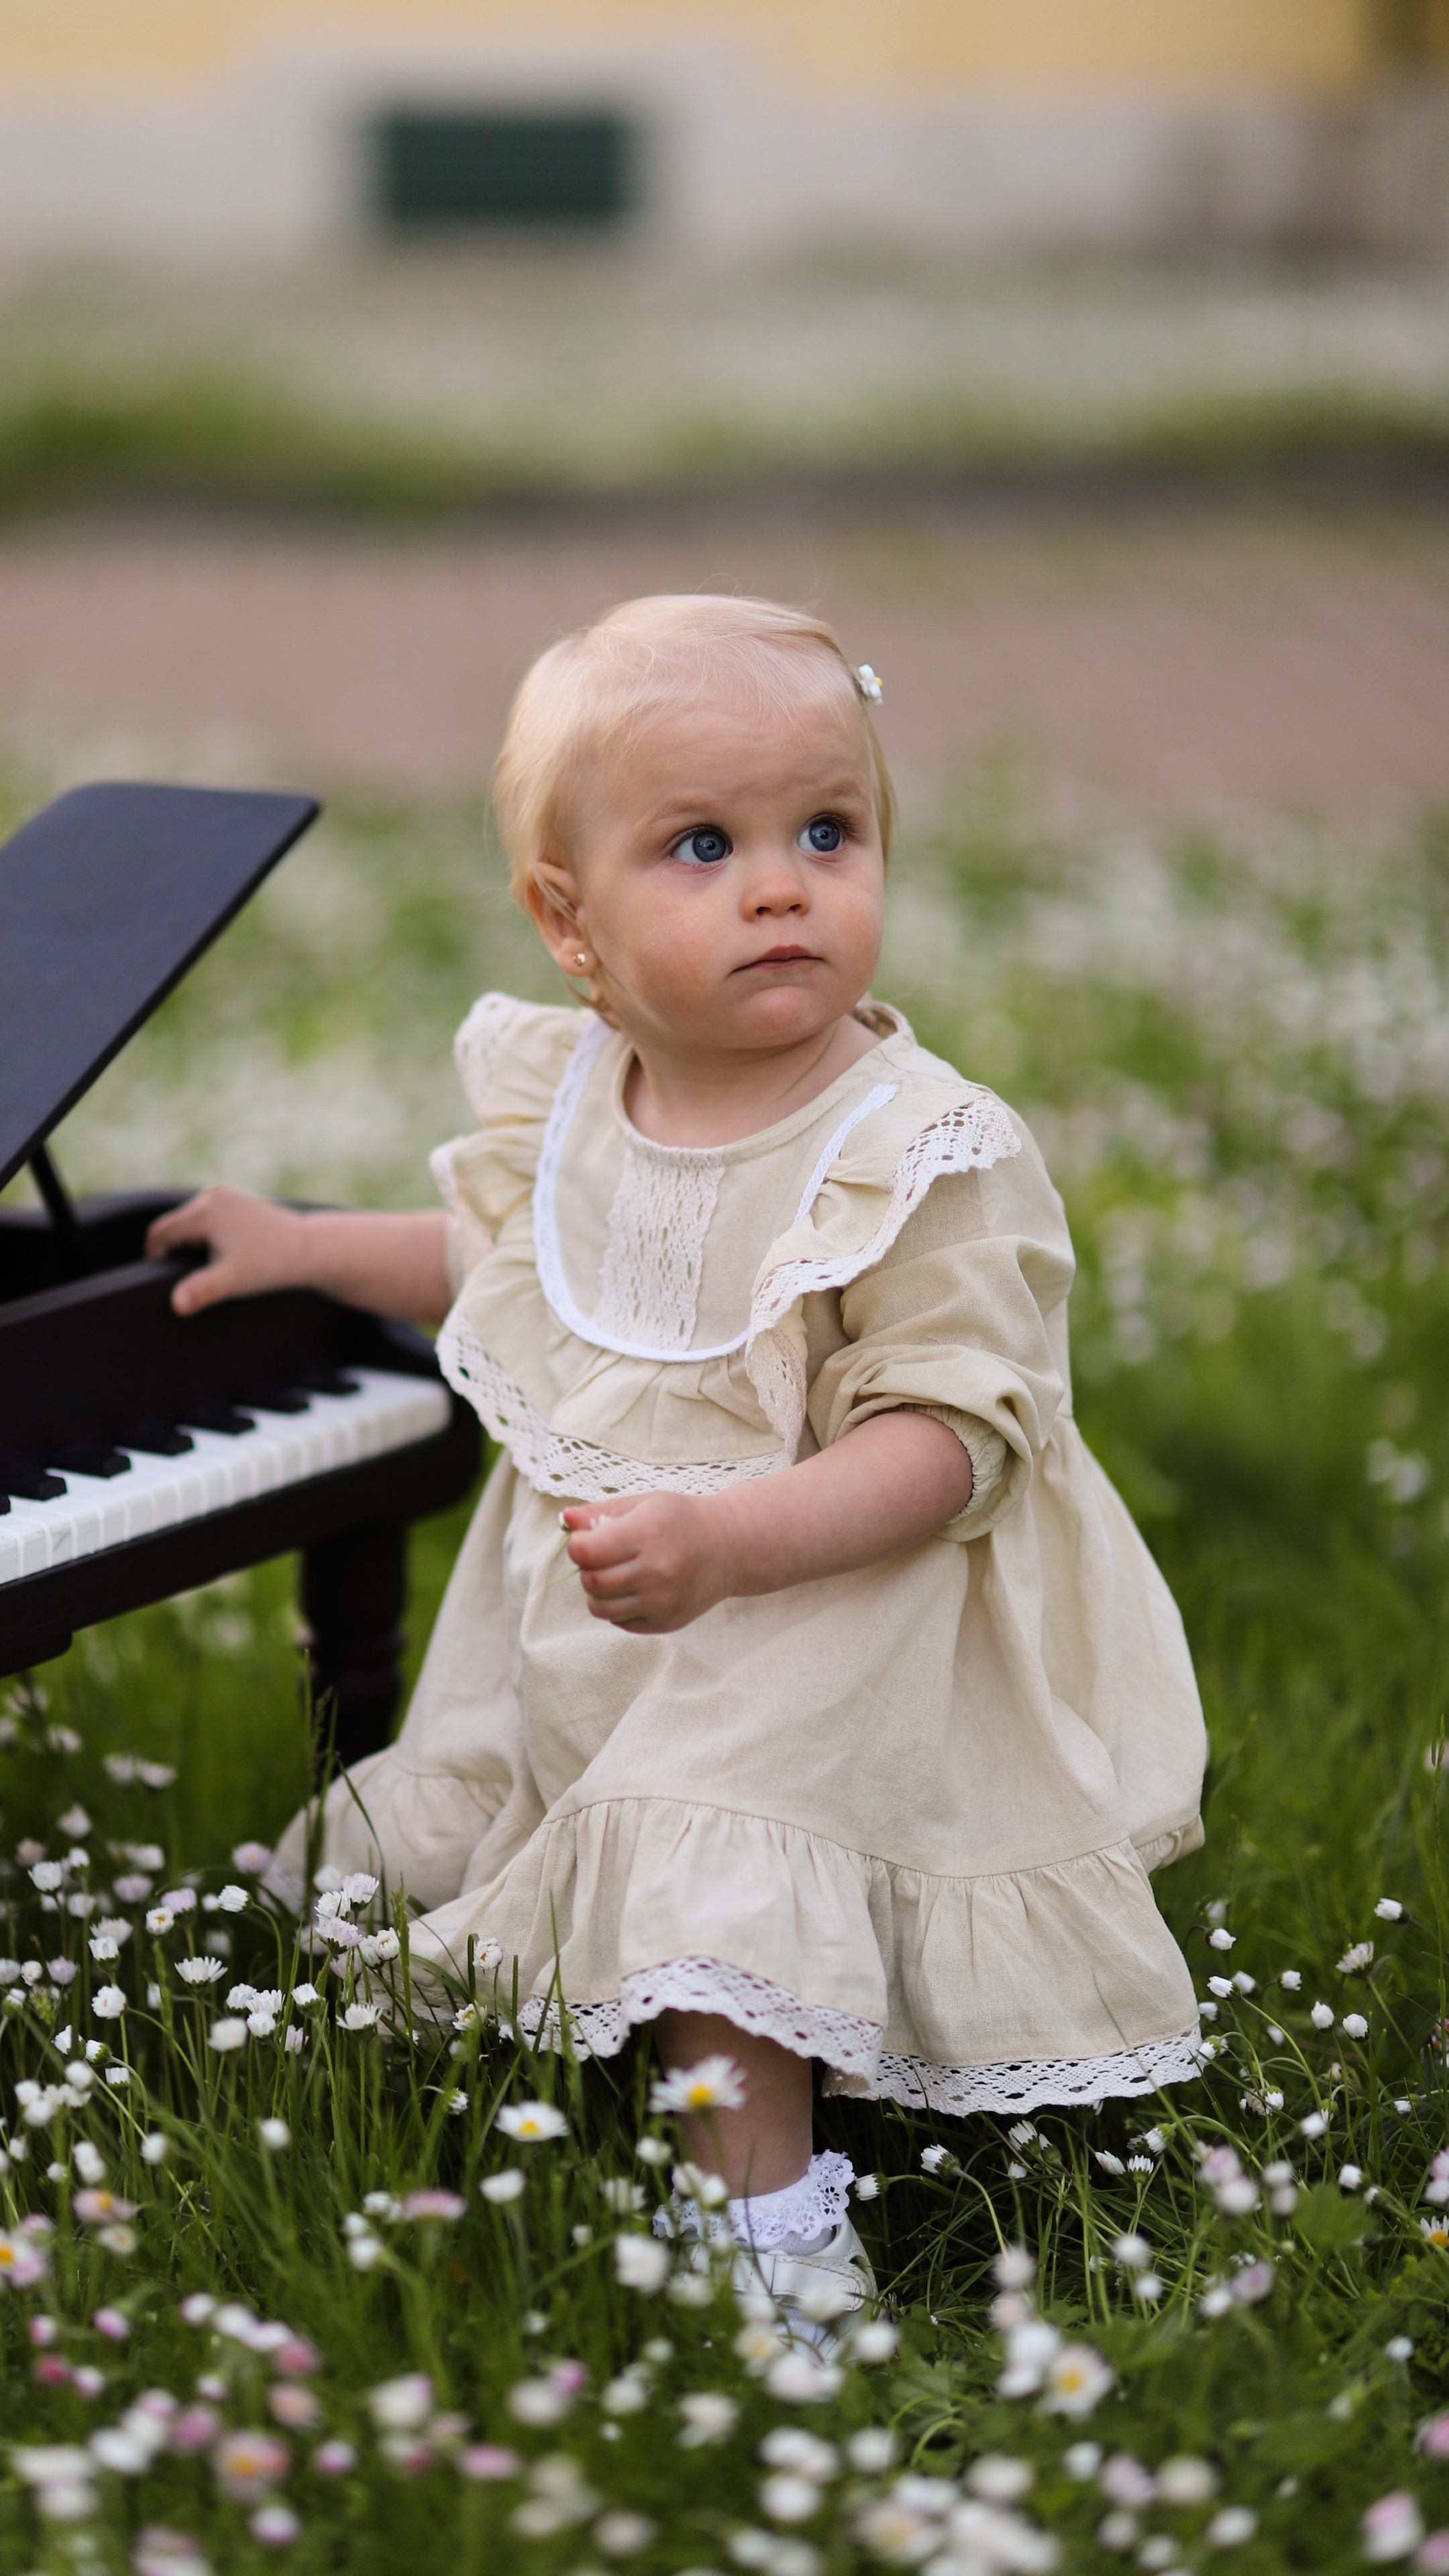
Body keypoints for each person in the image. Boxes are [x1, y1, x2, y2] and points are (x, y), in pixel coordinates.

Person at [147, 594, 1207, 2314]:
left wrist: (733, 1548)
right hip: (610, 1621)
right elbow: (514, 1267)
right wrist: (312, 1246)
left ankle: (769, 2233)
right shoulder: (583, 1089)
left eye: (826, 831)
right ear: (569, 925)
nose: (780, 884)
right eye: (702, 845)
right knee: (538, 1837)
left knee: (723, 1851)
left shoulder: (914, 1149)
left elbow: (953, 1438)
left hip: (836, 1616)